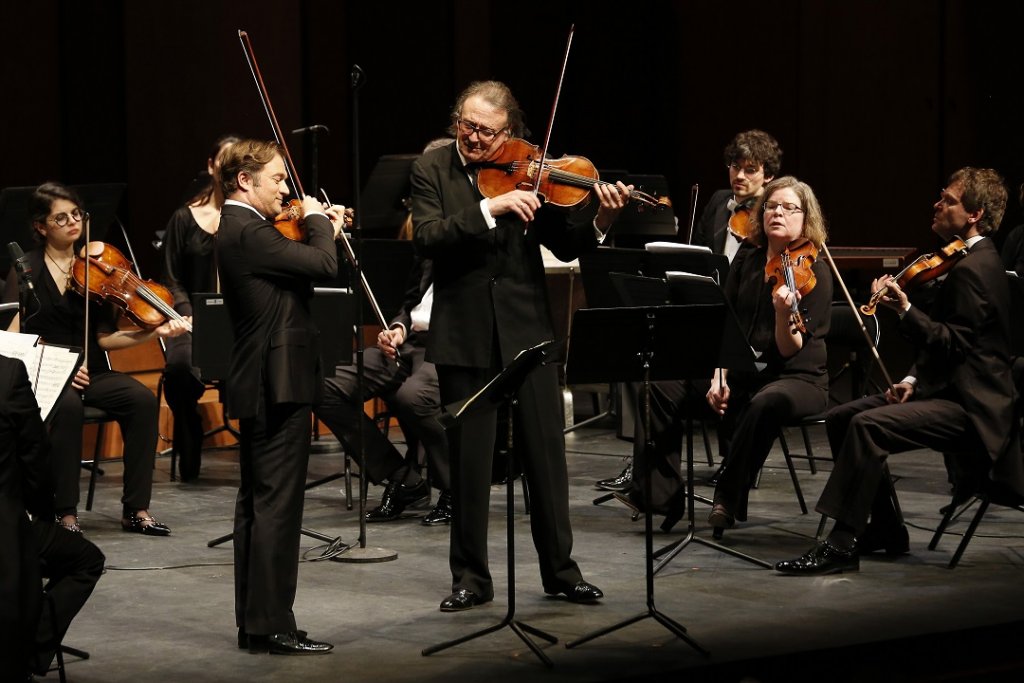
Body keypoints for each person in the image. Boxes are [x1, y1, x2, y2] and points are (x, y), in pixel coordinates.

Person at [412, 80, 630, 611]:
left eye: (485, 130)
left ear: (509, 133)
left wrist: (601, 216)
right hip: (464, 334)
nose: (473, 137)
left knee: (546, 456)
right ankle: (470, 578)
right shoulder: (431, 170)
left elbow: (565, 241)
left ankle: (561, 570)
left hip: (526, 328)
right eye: (466, 125)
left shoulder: (530, 169)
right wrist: (492, 209)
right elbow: (428, 236)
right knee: (469, 463)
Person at [777, 167, 1024, 575]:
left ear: (975, 213)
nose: (937, 204)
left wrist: (905, 309)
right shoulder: (966, 258)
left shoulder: (975, 270)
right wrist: (911, 380)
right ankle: (887, 529)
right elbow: (956, 347)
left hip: (973, 410)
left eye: (948, 200)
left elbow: (953, 344)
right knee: (842, 417)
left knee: (867, 427)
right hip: (947, 390)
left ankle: (840, 545)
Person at [596, 129, 783, 495]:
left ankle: (736, 463)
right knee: (648, 368)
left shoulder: (777, 217)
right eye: (734, 167)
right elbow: (695, 254)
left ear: (769, 176)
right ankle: (653, 482)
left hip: (747, 339)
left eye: (750, 169)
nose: (739, 176)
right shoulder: (718, 202)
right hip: (705, 322)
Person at [216, 138, 347, 654]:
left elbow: (306, 259)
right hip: (277, 382)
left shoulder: (249, 230)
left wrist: (318, 227)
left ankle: (257, 622)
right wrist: (318, 219)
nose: (286, 189)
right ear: (245, 181)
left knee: (258, 504)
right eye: (277, 179)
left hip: (265, 380)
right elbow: (322, 265)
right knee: (276, 507)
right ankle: (272, 625)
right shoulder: (247, 231)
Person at [2, 182, 189, 536]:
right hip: (49, 376)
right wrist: (51, 365)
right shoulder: (26, 269)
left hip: (94, 372)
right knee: (68, 408)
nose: (73, 222)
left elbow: (104, 338)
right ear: (41, 227)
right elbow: (12, 338)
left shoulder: (95, 271)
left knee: (141, 401)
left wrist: (155, 332)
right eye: (61, 218)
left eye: (76, 214)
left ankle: (136, 509)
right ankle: (65, 513)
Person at [703, 176, 833, 534]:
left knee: (764, 402)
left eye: (789, 207)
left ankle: (726, 497)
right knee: (664, 386)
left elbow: (791, 348)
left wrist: (781, 313)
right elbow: (726, 319)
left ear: (806, 218)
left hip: (798, 377)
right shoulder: (748, 255)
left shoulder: (815, 270)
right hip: (747, 368)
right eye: (772, 206)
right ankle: (656, 496)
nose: (777, 212)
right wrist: (719, 376)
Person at [316, 253, 451, 524]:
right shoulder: (433, 245)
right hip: (409, 343)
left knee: (413, 397)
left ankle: (456, 487)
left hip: (448, 347)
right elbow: (412, 302)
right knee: (323, 386)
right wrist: (397, 328)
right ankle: (404, 478)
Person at [0, 353, 105, 682]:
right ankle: (27, 645)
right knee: (86, 559)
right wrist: (40, 514)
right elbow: (35, 456)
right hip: (5, 527)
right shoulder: (8, 373)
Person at [160, 134, 240, 482]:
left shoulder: (252, 219)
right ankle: (189, 426)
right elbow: (171, 277)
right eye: (225, 163)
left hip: (239, 322)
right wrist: (186, 311)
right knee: (178, 368)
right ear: (211, 166)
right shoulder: (183, 218)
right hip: (191, 320)